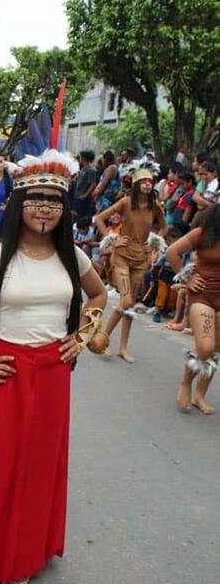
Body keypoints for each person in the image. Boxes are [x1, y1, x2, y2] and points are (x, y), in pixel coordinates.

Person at [0, 151, 107, 584]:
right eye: (35, 198)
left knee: (37, 467)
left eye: (54, 200)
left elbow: (101, 297)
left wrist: (80, 337)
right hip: (5, 371)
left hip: (52, 375)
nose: (45, 207)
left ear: (64, 208)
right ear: (18, 202)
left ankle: (26, 552)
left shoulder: (74, 257)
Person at [94, 160, 167, 362]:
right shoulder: (126, 202)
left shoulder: (155, 206)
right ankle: (103, 338)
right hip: (122, 257)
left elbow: (164, 228)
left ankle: (123, 347)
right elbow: (99, 219)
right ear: (135, 183)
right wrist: (112, 238)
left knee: (130, 305)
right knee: (126, 300)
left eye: (150, 181)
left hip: (140, 259)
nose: (147, 184)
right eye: (143, 180)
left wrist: (154, 241)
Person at [166, 204, 220, 415]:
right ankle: (186, 383)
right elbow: (172, 252)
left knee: (216, 349)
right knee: (205, 347)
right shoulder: (203, 233)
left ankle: (200, 395)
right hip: (203, 296)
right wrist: (186, 278)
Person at [74, 150, 97, 218]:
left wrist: (85, 195)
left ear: (84, 158)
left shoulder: (90, 170)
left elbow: (93, 184)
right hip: (77, 195)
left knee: (80, 215)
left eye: (80, 157)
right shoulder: (82, 169)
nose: (79, 159)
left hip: (83, 198)